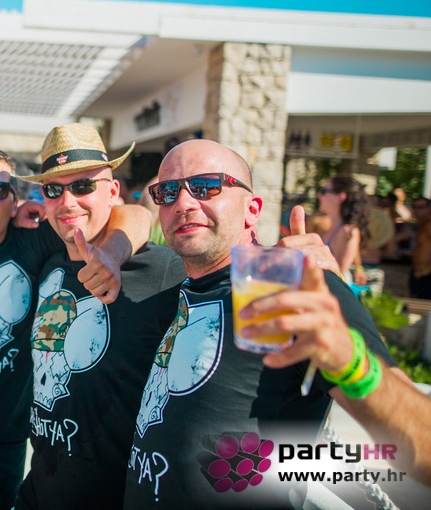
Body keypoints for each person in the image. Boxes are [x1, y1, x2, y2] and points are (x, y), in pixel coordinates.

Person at [124, 139, 431, 508]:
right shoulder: (178, 284)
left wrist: (352, 363)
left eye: (206, 186)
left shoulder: (292, 284)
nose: (184, 203)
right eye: (167, 192)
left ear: (251, 209)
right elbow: (117, 214)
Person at [0, 142, 151, 510]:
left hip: (1, 442)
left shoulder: (35, 240)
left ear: (15, 200)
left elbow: (136, 214)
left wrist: (113, 253)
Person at [10, 125, 185, 510]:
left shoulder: (161, 270)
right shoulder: (49, 260)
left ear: (112, 191)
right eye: (53, 190)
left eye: (83, 186)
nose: (67, 201)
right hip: (38, 491)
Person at [318, 176, 370, 282]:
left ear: (340, 197)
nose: (319, 195)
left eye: (324, 191)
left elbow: (338, 275)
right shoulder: (336, 229)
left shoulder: (347, 231)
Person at [411, 196, 431, 299]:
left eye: (421, 207)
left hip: (426, 274)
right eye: (414, 207)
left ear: (429, 208)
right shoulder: (421, 225)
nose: (417, 210)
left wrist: (427, 269)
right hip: (418, 271)